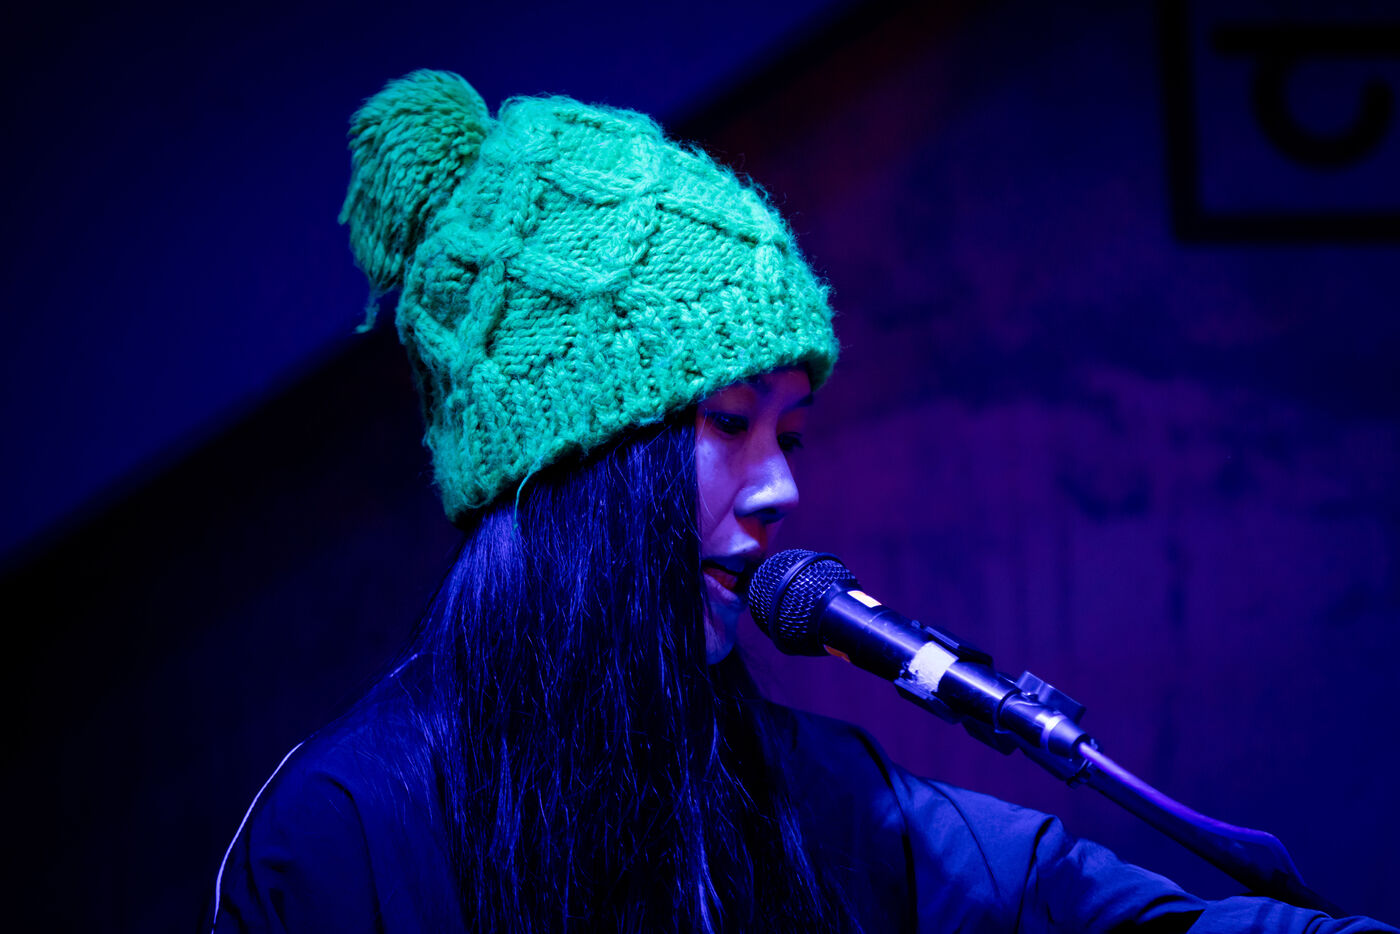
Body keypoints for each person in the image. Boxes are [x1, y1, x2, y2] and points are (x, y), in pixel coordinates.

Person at [206, 70, 1396, 933]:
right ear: (575, 469)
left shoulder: (802, 785)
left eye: (791, 431)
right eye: (730, 422)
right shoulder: (343, 828)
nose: (782, 484)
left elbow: (1079, 904)